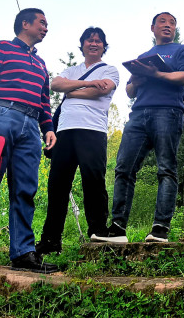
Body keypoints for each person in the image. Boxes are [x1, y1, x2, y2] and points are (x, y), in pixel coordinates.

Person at [0, 8, 59, 274]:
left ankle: (22, 253)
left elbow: (45, 100)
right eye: (42, 22)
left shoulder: (41, 64)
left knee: (25, 190)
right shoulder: (2, 48)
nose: (45, 27)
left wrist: (48, 128)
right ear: (25, 23)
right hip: (0, 117)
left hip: (31, 126)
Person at [104, 12, 184, 243]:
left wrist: (157, 73)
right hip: (138, 114)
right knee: (123, 168)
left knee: (166, 168)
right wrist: (139, 79)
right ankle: (117, 228)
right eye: (163, 22)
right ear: (153, 28)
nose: (168, 26)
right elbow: (129, 91)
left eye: (172, 23)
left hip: (168, 111)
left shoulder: (181, 50)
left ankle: (160, 228)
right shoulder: (143, 56)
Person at [36, 27, 119, 253]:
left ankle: (98, 230)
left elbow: (102, 91)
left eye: (98, 41)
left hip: (92, 130)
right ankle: (51, 239)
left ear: (104, 46)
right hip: (64, 130)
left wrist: (73, 90)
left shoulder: (111, 70)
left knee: (93, 180)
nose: (93, 43)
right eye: (89, 40)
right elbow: (55, 85)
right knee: (57, 185)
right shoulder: (72, 69)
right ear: (82, 45)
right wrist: (91, 83)